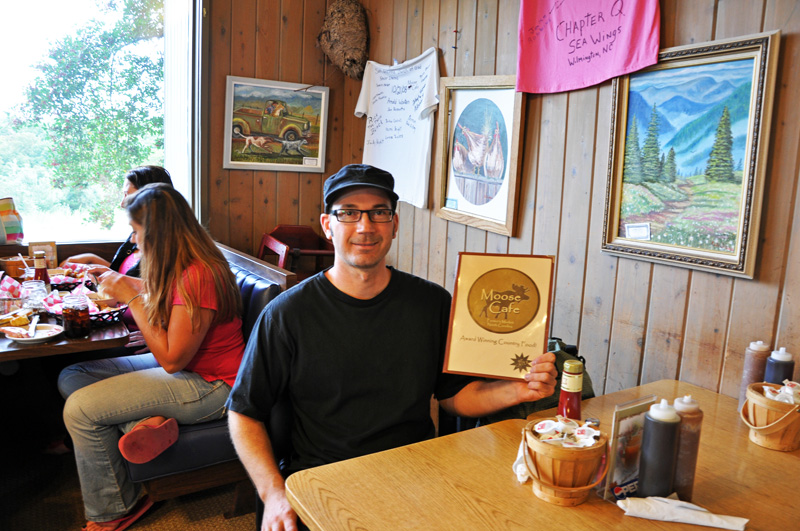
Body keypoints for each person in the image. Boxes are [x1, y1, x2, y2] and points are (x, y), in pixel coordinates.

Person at [226, 164, 558, 531]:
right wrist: (273, 494)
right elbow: (244, 412)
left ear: (394, 224)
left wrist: (518, 390)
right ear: (327, 225)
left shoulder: (432, 304)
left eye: (379, 213)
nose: (365, 227)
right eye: (348, 213)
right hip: (327, 479)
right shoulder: (287, 315)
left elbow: (453, 396)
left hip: (417, 472)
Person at [58, 183, 246, 531]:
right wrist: (120, 282)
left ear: (158, 232)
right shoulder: (179, 264)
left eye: (136, 231)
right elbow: (165, 301)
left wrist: (129, 297)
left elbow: (172, 360)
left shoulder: (200, 274)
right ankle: (147, 421)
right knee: (73, 375)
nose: (133, 239)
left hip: (215, 384)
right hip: (188, 371)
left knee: (80, 409)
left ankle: (116, 509)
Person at [61, 165, 174, 278]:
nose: (122, 203)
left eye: (128, 195)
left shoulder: (164, 250)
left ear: (149, 198)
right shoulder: (137, 235)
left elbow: (140, 286)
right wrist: (91, 259)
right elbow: (124, 274)